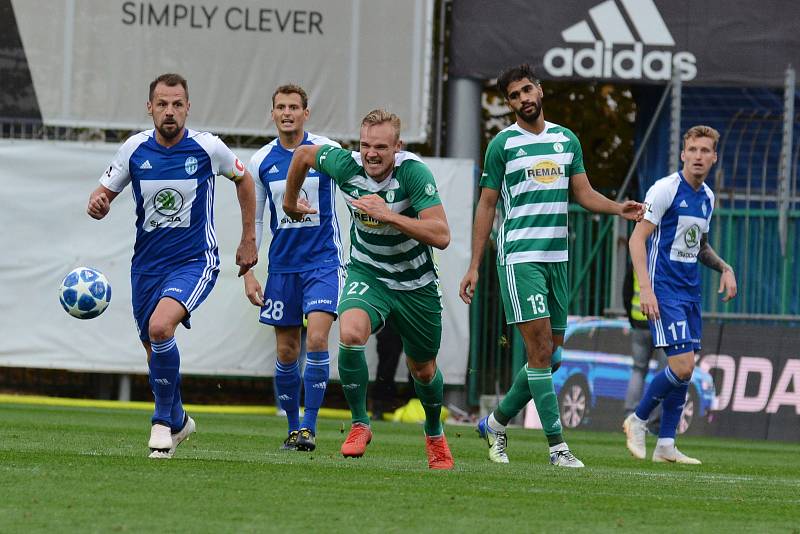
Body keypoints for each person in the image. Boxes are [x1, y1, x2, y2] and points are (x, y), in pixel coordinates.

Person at [459, 64, 643, 467]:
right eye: (514, 96)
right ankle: (557, 447)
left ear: (539, 90)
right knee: (540, 351)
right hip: (520, 257)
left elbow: (583, 193)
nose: (523, 99)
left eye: (527, 90)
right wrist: (474, 264)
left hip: (557, 258)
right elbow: (487, 204)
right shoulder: (503, 144)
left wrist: (618, 208)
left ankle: (495, 423)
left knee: (552, 357)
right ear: (508, 104)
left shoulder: (566, 139)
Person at [86, 73, 258, 459]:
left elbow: (244, 181)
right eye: (162, 104)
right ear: (149, 107)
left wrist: (248, 238)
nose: (170, 111)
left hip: (195, 260)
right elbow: (102, 195)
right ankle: (179, 419)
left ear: (187, 107)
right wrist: (97, 203)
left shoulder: (207, 147)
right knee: (153, 348)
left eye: (177, 104)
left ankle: (161, 424)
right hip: (146, 266)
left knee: (161, 326)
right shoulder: (134, 149)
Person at [283, 109, 455, 469]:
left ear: (397, 147)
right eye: (365, 146)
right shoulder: (346, 165)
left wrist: (389, 214)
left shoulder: (413, 173)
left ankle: (435, 432)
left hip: (415, 284)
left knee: (423, 370)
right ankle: (360, 423)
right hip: (368, 273)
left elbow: (441, 235)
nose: (371, 154)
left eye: (380, 146)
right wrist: (289, 201)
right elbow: (301, 155)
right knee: (350, 332)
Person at [624, 125, 737, 464]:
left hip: (690, 292)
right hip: (665, 290)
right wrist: (646, 288)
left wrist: (725, 268)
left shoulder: (708, 198)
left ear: (714, 157)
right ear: (683, 154)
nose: (699, 156)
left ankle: (666, 444)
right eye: (693, 150)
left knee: (685, 371)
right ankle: (638, 419)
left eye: (706, 151)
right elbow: (636, 239)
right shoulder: (664, 190)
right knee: (683, 366)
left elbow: (699, 245)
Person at [243, 84, 344, 452]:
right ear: (272, 113)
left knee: (316, 339)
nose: (287, 113)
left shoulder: (326, 150)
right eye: (280, 107)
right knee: (286, 351)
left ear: (306, 113)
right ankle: (291, 427)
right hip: (282, 268)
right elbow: (253, 221)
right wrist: (250, 272)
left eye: (294, 107)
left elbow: (351, 182)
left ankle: (309, 427)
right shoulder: (260, 162)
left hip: (323, 262)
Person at [622, 262, 667, 418]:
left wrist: (631, 318)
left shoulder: (637, 260)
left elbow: (626, 291)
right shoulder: (665, 258)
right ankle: (656, 418)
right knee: (664, 373)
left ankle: (630, 414)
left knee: (638, 370)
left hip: (639, 322)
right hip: (661, 322)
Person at [371, 322, 406, 421]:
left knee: (420, 367)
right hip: (392, 320)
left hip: (415, 317)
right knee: (385, 369)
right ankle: (378, 406)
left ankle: (417, 406)